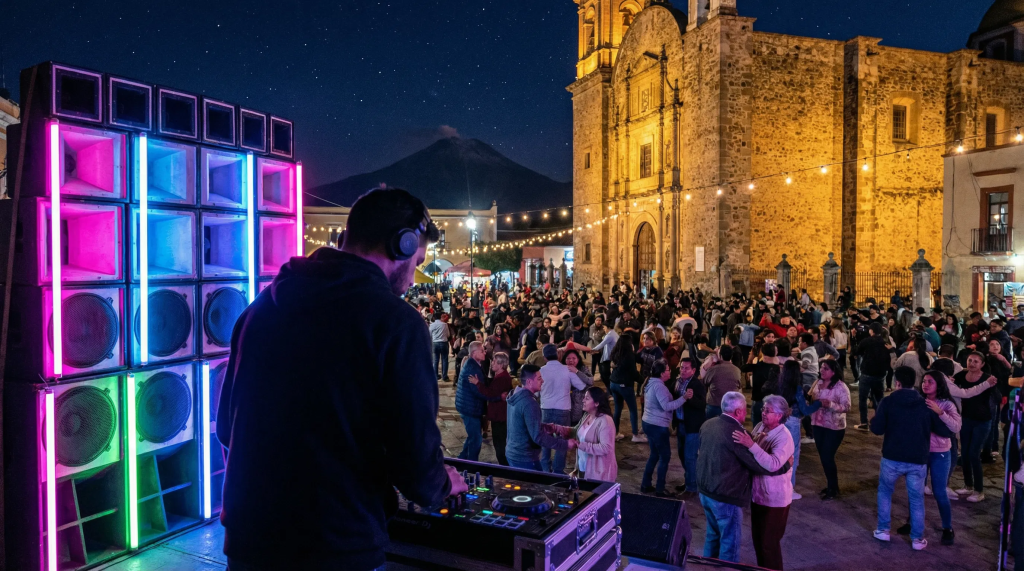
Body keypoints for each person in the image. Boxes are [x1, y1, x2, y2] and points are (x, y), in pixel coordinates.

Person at [215, 187, 467, 571]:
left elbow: (225, 431)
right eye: (416, 261)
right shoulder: (397, 325)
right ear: (402, 244)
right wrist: (443, 484)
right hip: (336, 545)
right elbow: (415, 466)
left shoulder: (260, 309)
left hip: (249, 540)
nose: (414, 278)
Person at [697, 391, 790, 563]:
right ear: (739, 412)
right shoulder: (736, 434)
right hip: (725, 496)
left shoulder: (708, 424)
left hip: (705, 492)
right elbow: (757, 465)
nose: (761, 412)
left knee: (712, 535)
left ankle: (706, 566)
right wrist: (785, 465)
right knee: (729, 545)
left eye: (767, 410)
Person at [870, 367, 955, 551]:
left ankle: (883, 529)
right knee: (916, 498)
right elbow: (943, 430)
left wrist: (873, 421)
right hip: (917, 459)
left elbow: (877, 429)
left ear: (897, 383)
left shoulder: (888, 401)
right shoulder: (924, 404)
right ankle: (917, 539)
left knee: (885, 491)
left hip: (892, 457)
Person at [890, 370, 962, 546]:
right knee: (915, 490)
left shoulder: (947, 404)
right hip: (919, 451)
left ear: (939, 384)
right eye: (924, 381)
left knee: (939, 491)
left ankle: (947, 527)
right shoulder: (918, 402)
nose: (925, 384)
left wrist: (940, 412)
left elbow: (956, 427)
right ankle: (911, 522)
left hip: (940, 453)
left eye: (930, 381)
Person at [732, 395, 795, 570]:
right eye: (763, 409)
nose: (764, 413)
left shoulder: (784, 437)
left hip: (774, 499)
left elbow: (774, 464)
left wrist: (751, 444)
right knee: (758, 541)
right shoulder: (761, 427)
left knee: (769, 544)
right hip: (758, 495)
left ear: (780, 415)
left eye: (768, 411)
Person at [506, 365, 577, 470]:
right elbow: (537, 437)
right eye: (539, 378)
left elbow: (522, 424)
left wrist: (542, 426)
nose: (543, 381)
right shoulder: (529, 403)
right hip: (525, 457)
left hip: (513, 452)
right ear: (529, 382)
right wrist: (565, 444)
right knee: (534, 485)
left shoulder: (515, 395)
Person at [641, 360, 689, 497]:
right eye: (668, 370)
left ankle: (646, 484)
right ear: (662, 373)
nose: (670, 371)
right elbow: (667, 406)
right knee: (664, 456)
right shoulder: (659, 387)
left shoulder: (652, 382)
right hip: (657, 425)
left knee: (654, 455)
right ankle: (660, 489)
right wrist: (684, 398)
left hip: (648, 422)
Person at [954, 351, 997, 502]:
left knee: (973, 454)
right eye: (970, 360)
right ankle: (968, 485)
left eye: (976, 361)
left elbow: (997, 397)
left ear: (982, 364)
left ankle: (979, 490)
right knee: (964, 453)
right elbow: (951, 383)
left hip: (982, 420)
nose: (971, 363)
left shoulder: (987, 379)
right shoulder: (961, 375)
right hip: (966, 418)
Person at [539, 345, 589, 473]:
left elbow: (536, 392)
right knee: (562, 442)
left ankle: (545, 468)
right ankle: (558, 470)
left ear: (544, 357)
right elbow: (582, 385)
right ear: (558, 355)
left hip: (545, 409)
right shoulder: (566, 370)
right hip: (563, 410)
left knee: (545, 441)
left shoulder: (541, 371)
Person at [553, 386, 618, 481]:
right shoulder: (587, 415)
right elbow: (576, 431)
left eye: (587, 398)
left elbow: (606, 448)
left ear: (596, 403)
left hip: (599, 473)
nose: (583, 400)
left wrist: (579, 445)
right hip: (583, 467)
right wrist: (558, 429)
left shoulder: (605, 421)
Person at [810, 359, 851, 499]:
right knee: (823, 457)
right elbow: (810, 397)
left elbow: (847, 407)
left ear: (833, 372)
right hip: (817, 424)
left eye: (826, 368)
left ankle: (833, 488)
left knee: (827, 457)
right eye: (821, 367)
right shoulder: (817, 383)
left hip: (834, 427)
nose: (822, 370)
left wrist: (831, 405)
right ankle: (831, 486)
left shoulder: (841, 387)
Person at [455, 341, 502, 461]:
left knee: (473, 436)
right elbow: (479, 391)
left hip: (469, 406)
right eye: (482, 350)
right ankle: (472, 466)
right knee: (476, 439)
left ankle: (461, 459)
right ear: (474, 353)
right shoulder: (472, 368)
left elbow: (483, 382)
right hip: (470, 408)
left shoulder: (475, 364)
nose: (485, 352)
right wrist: (498, 397)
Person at [854, 323, 896, 431]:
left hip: (867, 373)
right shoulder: (885, 342)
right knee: (879, 398)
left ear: (871, 330)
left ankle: (864, 422)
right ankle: (880, 421)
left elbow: (857, 352)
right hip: (880, 374)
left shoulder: (866, 341)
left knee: (863, 399)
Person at [475, 352, 514, 466]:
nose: (492, 363)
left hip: (499, 416)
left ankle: (505, 468)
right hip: (500, 415)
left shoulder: (502, 378)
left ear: (501, 365)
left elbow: (490, 394)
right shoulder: (501, 376)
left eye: (494, 362)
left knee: (499, 444)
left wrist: (478, 383)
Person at [674, 358, 706, 494]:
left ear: (693, 370)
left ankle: (692, 488)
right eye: (681, 367)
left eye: (686, 368)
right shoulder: (678, 382)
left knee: (690, 456)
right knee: (682, 455)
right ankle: (689, 480)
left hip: (692, 426)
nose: (683, 370)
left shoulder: (697, 384)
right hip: (680, 424)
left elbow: (702, 405)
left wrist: (690, 398)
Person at [609, 333, 646, 442]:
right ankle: (635, 434)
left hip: (613, 383)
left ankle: (615, 433)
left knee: (617, 409)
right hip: (624, 385)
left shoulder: (616, 353)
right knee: (633, 410)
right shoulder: (629, 355)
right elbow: (633, 373)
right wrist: (644, 380)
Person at [704, 345, 742, 418]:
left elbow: (705, 382)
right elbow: (739, 386)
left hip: (714, 405)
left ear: (720, 356)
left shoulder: (713, 370)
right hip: (730, 406)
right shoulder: (737, 370)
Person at [429, 313, 452, 381]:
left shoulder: (432, 325)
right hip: (444, 343)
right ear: (440, 317)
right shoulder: (444, 325)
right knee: (444, 360)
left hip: (435, 343)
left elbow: (429, 334)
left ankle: (435, 376)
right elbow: (448, 335)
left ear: (434, 318)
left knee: (435, 360)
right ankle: (444, 376)